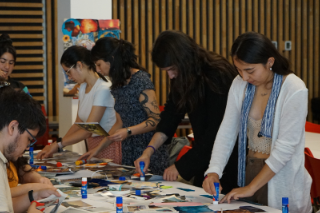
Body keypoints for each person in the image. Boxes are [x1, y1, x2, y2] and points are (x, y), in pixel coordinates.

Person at [203, 32, 312, 213]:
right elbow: (227, 131)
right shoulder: (240, 84)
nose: (244, 77)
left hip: (280, 177)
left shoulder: (294, 88)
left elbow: (285, 148)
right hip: (250, 170)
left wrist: (251, 188)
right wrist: (214, 170)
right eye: (239, 70)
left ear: (270, 62)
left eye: (250, 70)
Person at [134, 30, 238, 190]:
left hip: (227, 158)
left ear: (184, 60)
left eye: (171, 69)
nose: (170, 76)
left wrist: (180, 167)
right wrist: (148, 151)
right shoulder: (181, 76)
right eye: (166, 71)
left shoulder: (217, 74)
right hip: (204, 157)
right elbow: (170, 117)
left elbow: (217, 132)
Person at [79, 37, 169, 175]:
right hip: (128, 151)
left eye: (99, 64)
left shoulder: (141, 80)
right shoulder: (117, 84)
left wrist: (128, 131)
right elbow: (119, 123)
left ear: (112, 59)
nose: (98, 70)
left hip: (149, 151)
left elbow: (156, 120)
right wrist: (97, 149)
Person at [36, 45, 121, 163]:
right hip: (92, 145)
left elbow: (89, 129)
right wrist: (58, 144)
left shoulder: (103, 88)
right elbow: (78, 123)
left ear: (79, 65)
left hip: (107, 146)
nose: (69, 77)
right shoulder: (83, 87)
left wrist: (59, 144)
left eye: (68, 72)